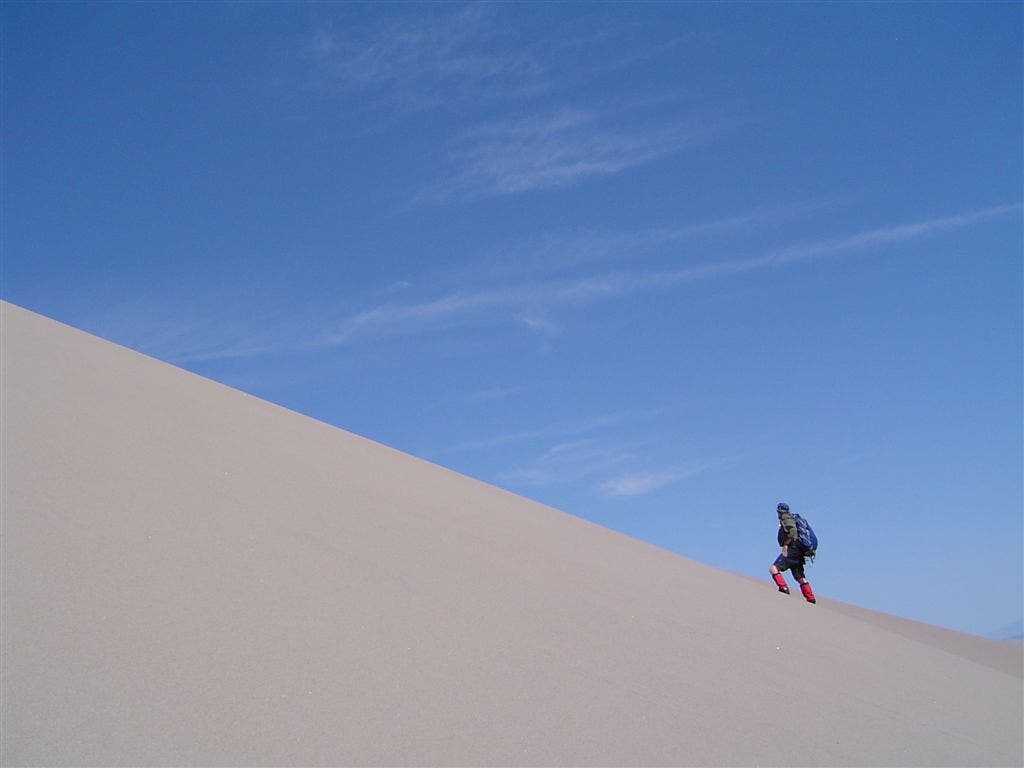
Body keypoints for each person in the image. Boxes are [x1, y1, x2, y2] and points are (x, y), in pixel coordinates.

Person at [769, 502, 816, 603]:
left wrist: (786, 544)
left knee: (773, 569)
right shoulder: (793, 518)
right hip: (799, 552)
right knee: (800, 577)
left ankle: (783, 588)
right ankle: (810, 597)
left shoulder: (786, 518)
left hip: (793, 549)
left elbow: (793, 532)